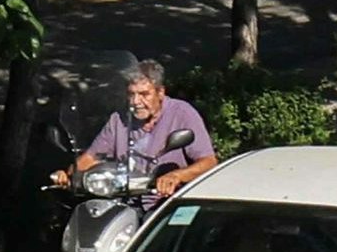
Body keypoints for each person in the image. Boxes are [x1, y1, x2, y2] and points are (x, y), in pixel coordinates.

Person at [57, 60, 217, 197]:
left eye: (144, 94)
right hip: (123, 199)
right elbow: (91, 157)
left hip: (164, 203)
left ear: (160, 92)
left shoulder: (182, 113)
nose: (136, 101)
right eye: (131, 94)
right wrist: (69, 174)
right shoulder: (119, 119)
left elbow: (208, 162)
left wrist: (175, 176)